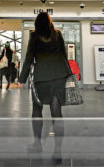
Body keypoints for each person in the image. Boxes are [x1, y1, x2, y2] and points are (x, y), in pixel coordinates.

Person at [19, 12, 71, 159]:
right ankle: (58, 151)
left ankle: (37, 145)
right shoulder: (57, 35)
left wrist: (22, 79)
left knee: (37, 110)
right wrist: (68, 74)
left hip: (41, 78)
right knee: (57, 114)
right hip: (59, 76)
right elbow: (64, 55)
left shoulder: (34, 36)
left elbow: (29, 58)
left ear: (37, 23)